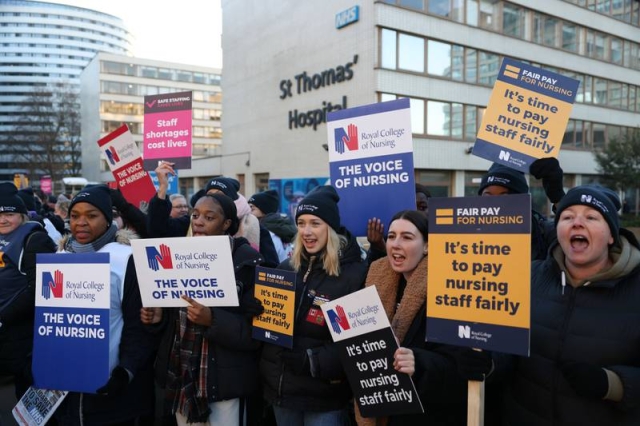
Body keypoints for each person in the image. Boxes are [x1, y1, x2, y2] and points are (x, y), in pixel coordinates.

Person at [500, 184, 640, 425]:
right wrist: (489, 363)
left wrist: (613, 384)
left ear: (611, 236)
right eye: (567, 216)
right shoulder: (528, 276)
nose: (576, 223)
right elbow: (505, 342)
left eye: (591, 217)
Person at [143, 162, 264, 425]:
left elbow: (257, 335)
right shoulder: (178, 256)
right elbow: (173, 322)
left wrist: (213, 319)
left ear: (227, 224)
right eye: (196, 215)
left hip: (223, 383)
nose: (198, 222)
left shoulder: (248, 262)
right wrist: (157, 318)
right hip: (182, 374)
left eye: (209, 218)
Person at [260, 185, 368, 426]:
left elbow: (357, 344)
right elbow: (269, 330)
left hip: (324, 399)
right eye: (301, 223)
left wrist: (311, 360)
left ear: (331, 227)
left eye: (315, 223)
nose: (306, 231)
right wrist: (255, 312)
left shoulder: (353, 275)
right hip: (281, 393)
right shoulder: (285, 269)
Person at [54, 185, 157, 425]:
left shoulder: (126, 259)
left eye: (91, 215)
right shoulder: (58, 259)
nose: (81, 222)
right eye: (75, 215)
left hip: (114, 394)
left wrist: (125, 371)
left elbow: (139, 327)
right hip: (66, 391)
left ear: (108, 218)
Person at [360, 210, 469, 425]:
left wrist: (419, 362)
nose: (396, 244)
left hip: (427, 415)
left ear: (427, 246)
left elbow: (459, 365)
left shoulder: (448, 290)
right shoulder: (375, 278)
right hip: (382, 409)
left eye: (407, 237)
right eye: (391, 236)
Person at [0, 182, 56, 398]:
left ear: (22, 215)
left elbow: (41, 288)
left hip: (24, 333)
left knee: (26, 395)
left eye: (9, 214)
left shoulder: (34, 239)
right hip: (6, 331)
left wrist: (4, 316)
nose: (3, 219)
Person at [478, 159, 564, 260]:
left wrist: (559, 199)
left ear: (522, 201)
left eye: (505, 197)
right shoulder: (467, 234)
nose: (495, 205)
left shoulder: (543, 233)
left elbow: (574, 236)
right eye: (488, 197)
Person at [366, 183, 432, 264]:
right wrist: (378, 248)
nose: (415, 213)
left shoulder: (444, 240)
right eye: (408, 208)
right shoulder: (386, 239)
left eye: (422, 207)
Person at [249, 189, 296, 262]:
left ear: (265, 210)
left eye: (252, 208)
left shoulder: (268, 234)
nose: (248, 212)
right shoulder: (279, 228)